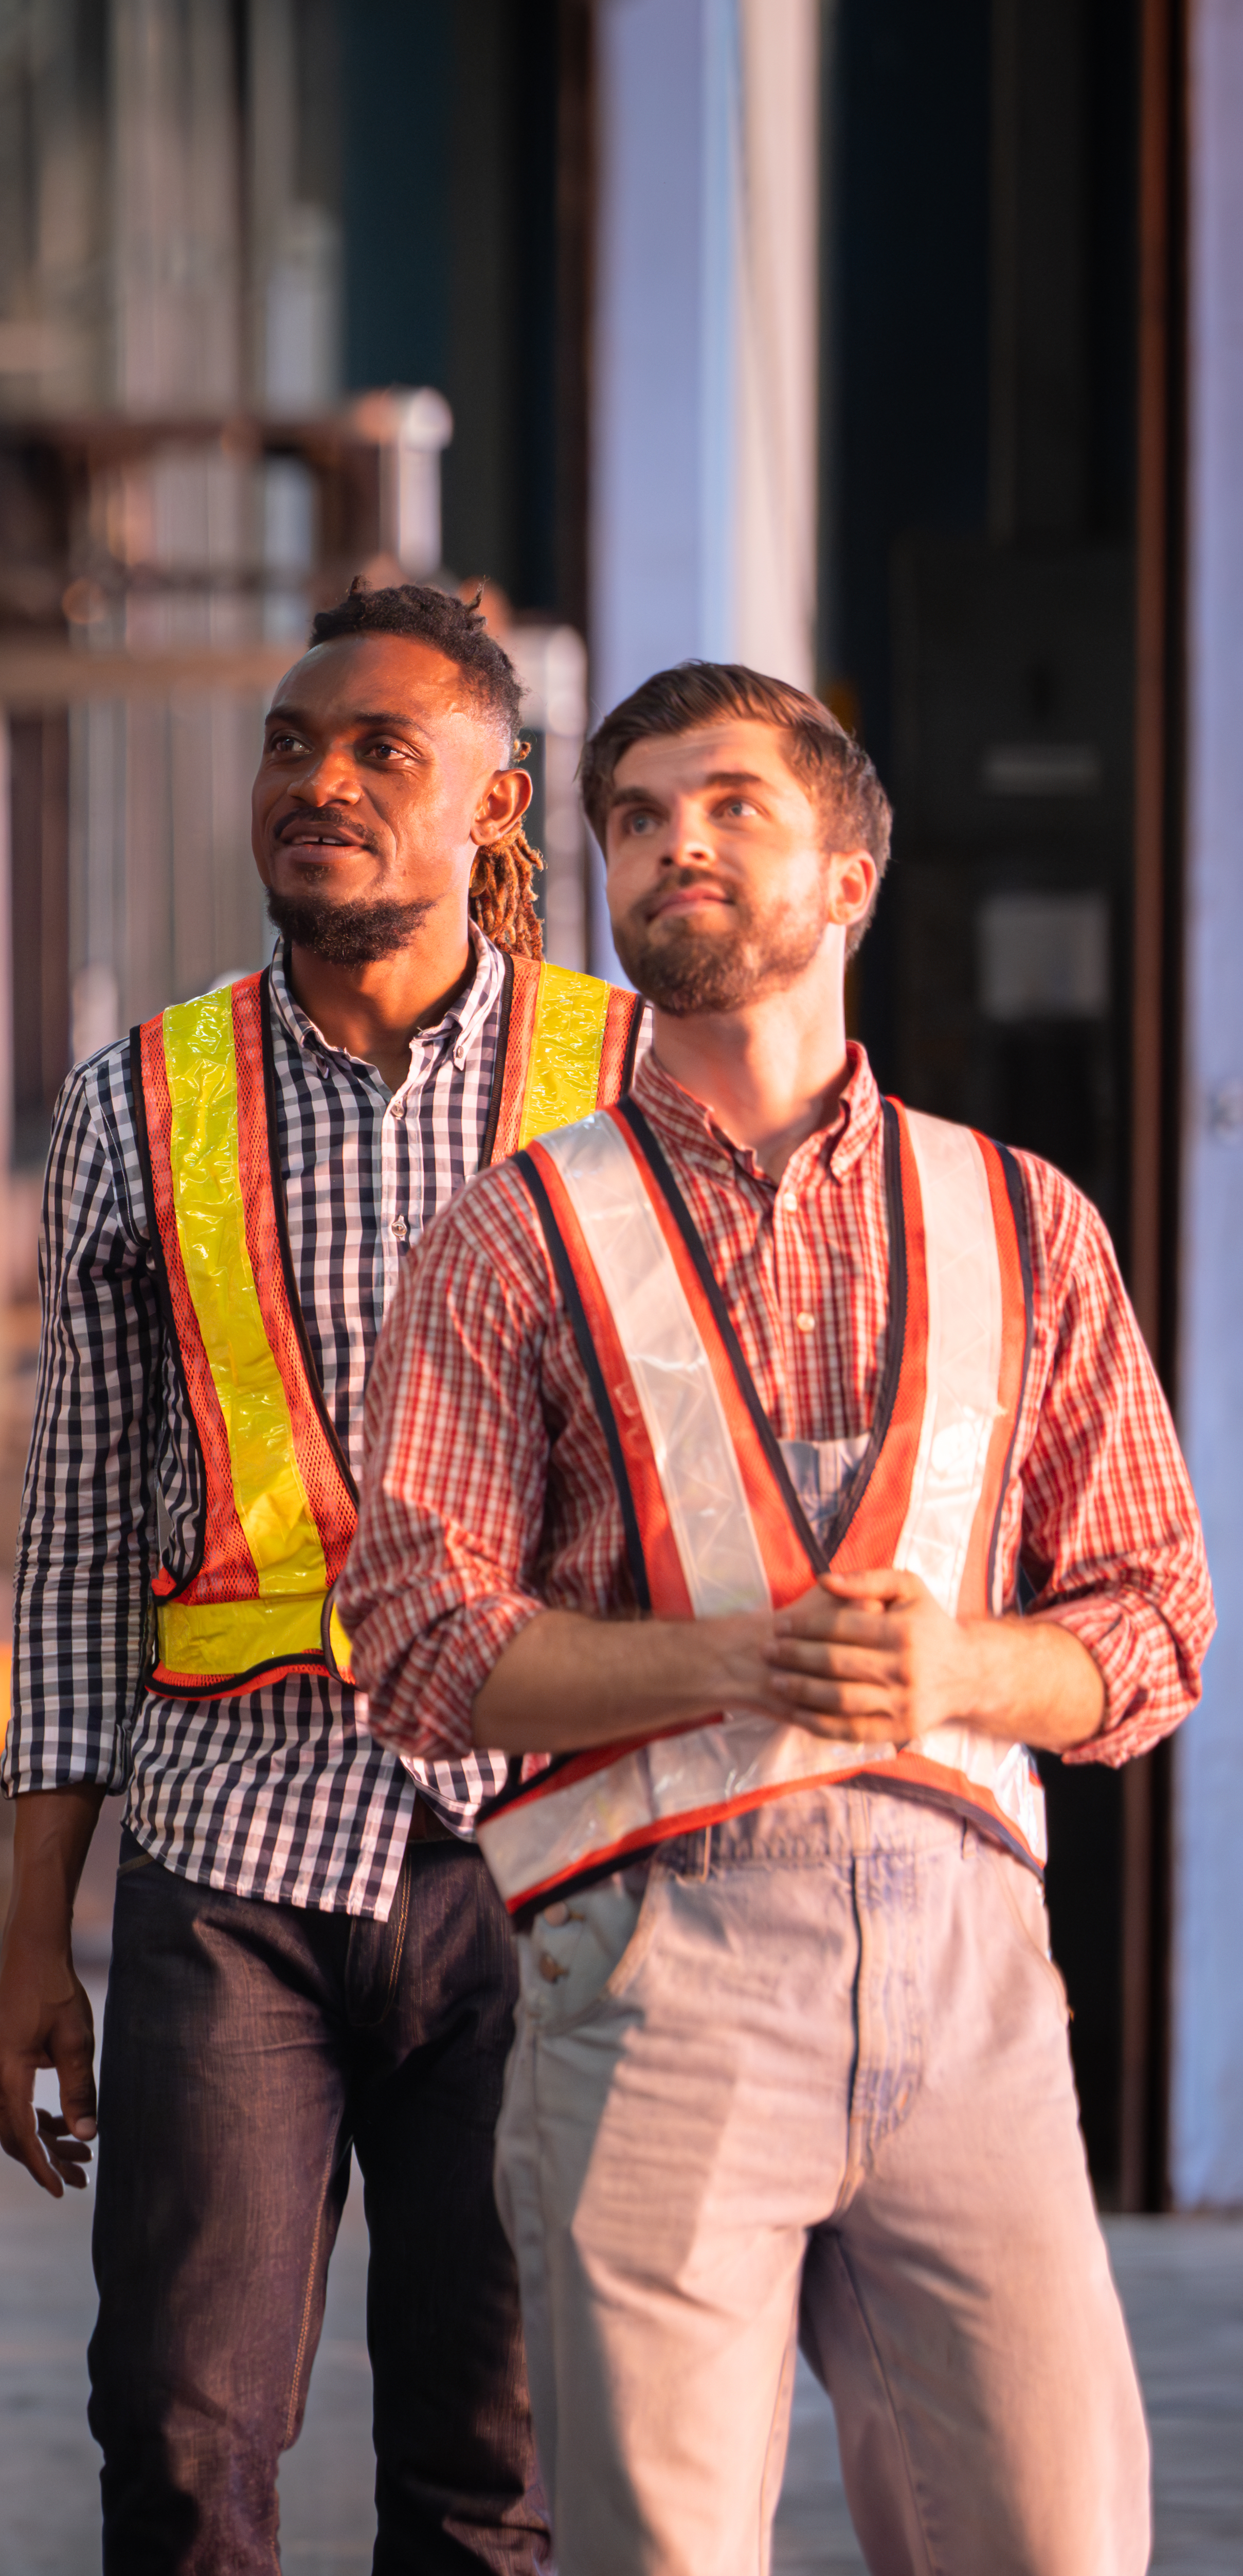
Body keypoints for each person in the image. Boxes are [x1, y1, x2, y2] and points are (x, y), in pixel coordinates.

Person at [347, 661, 1210, 2574]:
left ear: (849, 877)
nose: (677, 843)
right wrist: (746, 1661)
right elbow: (408, 1642)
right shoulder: (511, 1237)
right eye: (638, 818)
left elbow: (1154, 1623)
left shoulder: (1026, 1223)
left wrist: (959, 1665)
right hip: (651, 1970)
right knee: (662, 2553)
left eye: (730, 805)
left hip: (972, 1976)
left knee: (1057, 2544)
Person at [0, 582, 637, 2574]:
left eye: (378, 753)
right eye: (289, 744)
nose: (318, 784)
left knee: (487, 2459)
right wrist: (37, 1936)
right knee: (177, 2444)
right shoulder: (136, 1103)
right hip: (229, 1867)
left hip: (536, 1864)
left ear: (490, 812)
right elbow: (81, 1538)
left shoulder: (633, 1091)